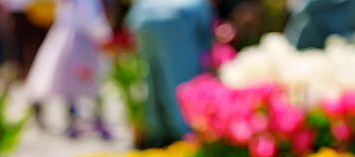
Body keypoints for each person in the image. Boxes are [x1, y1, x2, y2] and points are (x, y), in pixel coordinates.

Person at [126, 0, 214, 146]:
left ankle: (156, 131)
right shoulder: (199, 4)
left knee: (152, 80)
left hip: (143, 17)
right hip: (179, 21)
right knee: (181, 83)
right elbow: (205, 33)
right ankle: (185, 136)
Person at [24, 0, 114, 137]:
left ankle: (74, 117)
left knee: (65, 80)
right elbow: (90, 19)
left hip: (65, 35)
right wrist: (103, 34)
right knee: (86, 81)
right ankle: (87, 118)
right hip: (81, 40)